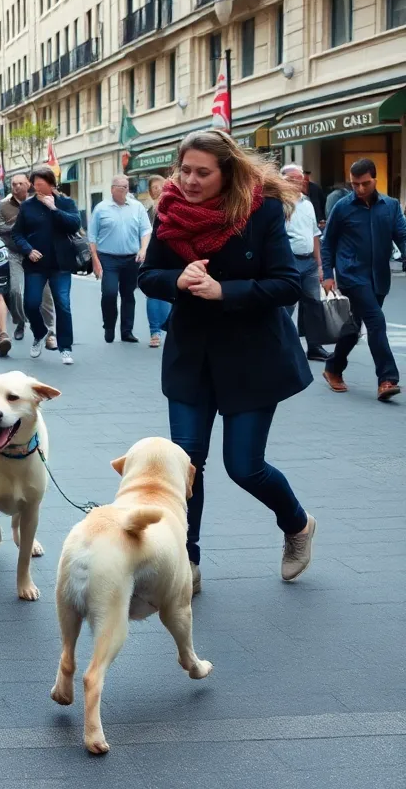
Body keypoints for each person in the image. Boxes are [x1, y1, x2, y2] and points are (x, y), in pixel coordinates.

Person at [139, 130, 316, 596]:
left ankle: (297, 524)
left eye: (203, 172)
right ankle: (187, 561)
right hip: (191, 357)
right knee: (185, 462)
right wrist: (177, 278)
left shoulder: (261, 211)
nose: (191, 181)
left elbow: (287, 284)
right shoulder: (169, 211)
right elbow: (148, 275)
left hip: (252, 356)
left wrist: (225, 290)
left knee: (244, 466)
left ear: (227, 172)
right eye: (185, 170)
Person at [322, 158, 406, 402]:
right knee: (376, 322)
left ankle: (333, 367)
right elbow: (328, 243)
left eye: (365, 184)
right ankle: (387, 379)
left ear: (375, 180)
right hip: (351, 276)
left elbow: (402, 235)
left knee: (353, 326)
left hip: (379, 277)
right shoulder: (342, 207)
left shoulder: (390, 206)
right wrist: (328, 275)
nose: (359, 189)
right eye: (355, 184)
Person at [10, 165, 81, 364]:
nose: (37, 189)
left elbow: (75, 224)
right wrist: (28, 249)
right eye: (35, 185)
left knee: (63, 305)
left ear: (51, 185)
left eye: (41, 185)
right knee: (31, 304)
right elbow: (17, 233)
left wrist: (54, 208)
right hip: (36, 264)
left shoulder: (65, 203)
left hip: (60, 264)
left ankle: (65, 347)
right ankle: (40, 332)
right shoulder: (27, 206)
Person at [88, 174, 152, 345]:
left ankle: (127, 331)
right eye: (120, 186)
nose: (124, 189)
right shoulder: (101, 209)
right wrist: (95, 260)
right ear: (112, 189)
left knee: (128, 294)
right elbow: (92, 237)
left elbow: (146, 230)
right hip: (108, 258)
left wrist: (143, 249)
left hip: (131, 258)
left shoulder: (137, 207)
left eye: (126, 186)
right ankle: (109, 326)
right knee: (109, 293)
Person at [0, 173, 56, 346]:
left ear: (29, 185)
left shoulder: (40, 202)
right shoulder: (4, 206)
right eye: (14, 184)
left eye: (21, 183)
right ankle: (20, 322)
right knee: (16, 291)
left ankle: (50, 329)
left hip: (38, 253)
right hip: (15, 253)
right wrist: (15, 225)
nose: (17, 186)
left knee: (45, 294)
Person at [280, 164, 332, 362]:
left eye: (299, 179)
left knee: (313, 305)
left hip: (308, 260)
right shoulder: (278, 203)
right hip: (289, 260)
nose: (296, 182)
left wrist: (319, 264)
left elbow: (315, 235)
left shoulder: (308, 203)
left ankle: (314, 346)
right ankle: (284, 346)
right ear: (282, 180)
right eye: (291, 179)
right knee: (286, 305)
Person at [144, 176, 172, 347]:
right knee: (154, 292)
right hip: (153, 254)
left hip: (172, 253)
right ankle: (155, 331)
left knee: (169, 291)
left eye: (161, 186)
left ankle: (169, 328)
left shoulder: (174, 206)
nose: (158, 189)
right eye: (155, 187)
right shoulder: (149, 211)